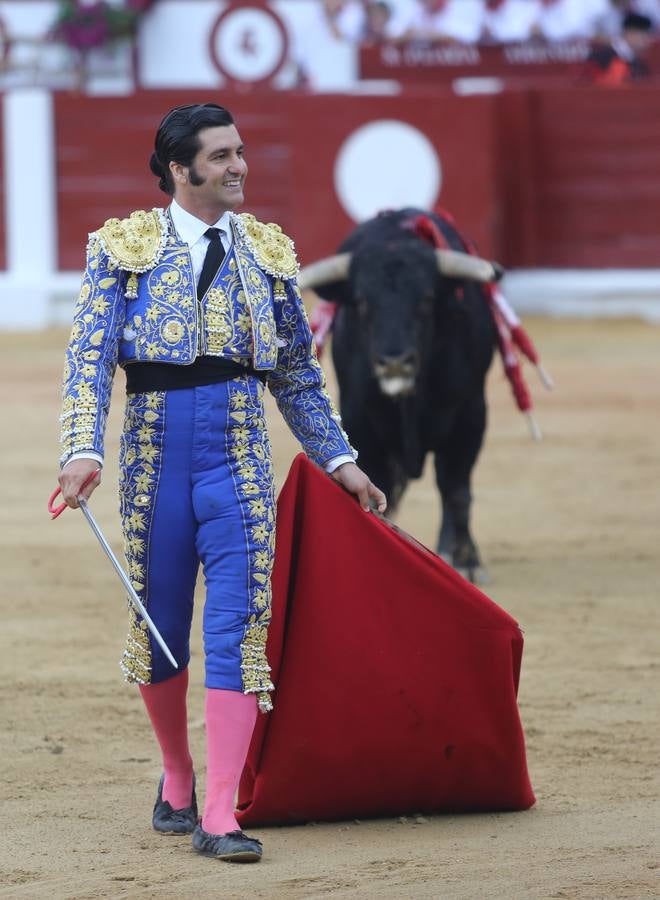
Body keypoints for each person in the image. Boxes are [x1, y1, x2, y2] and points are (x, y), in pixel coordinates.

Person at [57, 102, 386, 863]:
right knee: (161, 625)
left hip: (237, 463)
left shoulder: (268, 253)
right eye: (221, 156)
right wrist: (82, 449)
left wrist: (340, 460)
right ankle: (177, 775)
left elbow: (298, 378)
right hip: (153, 463)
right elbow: (89, 361)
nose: (239, 166)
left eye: (241, 151)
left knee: (238, 627)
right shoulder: (124, 247)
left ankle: (220, 810)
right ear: (181, 170)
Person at [584, 11, 654, 82]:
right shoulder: (603, 57)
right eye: (643, 37)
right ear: (630, 34)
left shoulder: (639, 63)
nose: (647, 42)